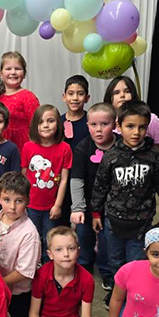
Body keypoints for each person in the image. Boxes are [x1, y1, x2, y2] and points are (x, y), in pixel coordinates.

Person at [91, 100, 159, 308]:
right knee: (115, 261)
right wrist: (95, 213)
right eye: (130, 126)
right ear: (119, 126)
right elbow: (100, 185)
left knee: (137, 263)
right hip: (113, 222)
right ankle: (117, 291)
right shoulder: (111, 155)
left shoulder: (154, 155)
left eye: (142, 127)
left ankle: (134, 294)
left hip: (142, 223)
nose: (136, 132)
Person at [69, 103, 117, 287]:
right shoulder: (83, 148)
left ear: (114, 124)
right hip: (87, 204)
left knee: (106, 240)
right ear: (87, 125)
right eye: (93, 125)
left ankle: (106, 271)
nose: (98, 130)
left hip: (112, 206)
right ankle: (84, 265)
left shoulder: (121, 146)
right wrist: (78, 207)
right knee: (84, 234)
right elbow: (77, 179)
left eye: (104, 124)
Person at [0, 171, 41, 317]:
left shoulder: (30, 233)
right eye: (7, 200)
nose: (12, 207)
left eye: (19, 201)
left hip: (17, 291)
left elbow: (24, 271)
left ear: (28, 200)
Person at [22, 104, 72, 263]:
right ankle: (33, 265)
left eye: (50, 121)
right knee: (33, 237)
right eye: (41, 122)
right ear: (35, 125)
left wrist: (57, 204)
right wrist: (24, 201)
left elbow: (64, 179)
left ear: (58, 124)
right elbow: (24, 175)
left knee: (49, 238)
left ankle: (47, 266)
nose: (45, 125)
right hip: (31, 205)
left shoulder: (65, 148)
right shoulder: (28, 147)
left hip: (51, 206)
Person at [59, 75, 92, 227]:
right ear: (64, 97)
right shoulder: (58, 122)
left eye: (80, 93)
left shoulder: (91, 123)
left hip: (84, 177)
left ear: (87, 98)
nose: (75, 98)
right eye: (71, 93)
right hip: (62, 178)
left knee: (83, 220)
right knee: (62, 217)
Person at [103, 76, 159, 150]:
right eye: (116, 93)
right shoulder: (105, 120)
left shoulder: (152, 119)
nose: (122, 95)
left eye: (127, 91)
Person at [0, 51, 40, 152]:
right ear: (1, 74)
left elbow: (37, 126)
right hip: (3, 148)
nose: (13, 72)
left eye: (17, 68)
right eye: (8, 69)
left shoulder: (28, 97)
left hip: (23, 148)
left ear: (24, 73)